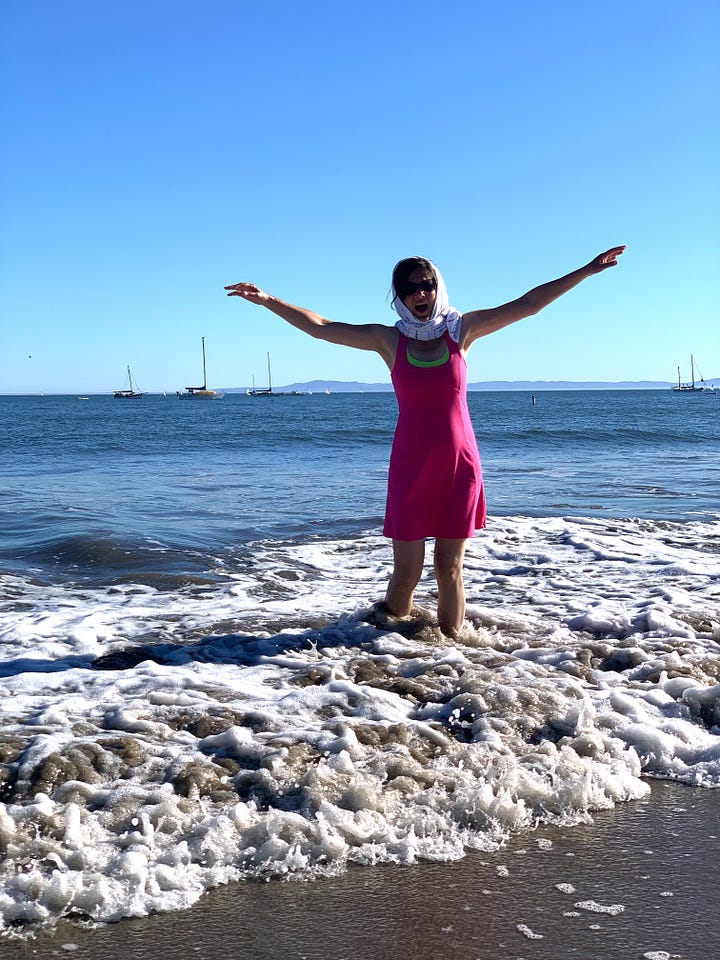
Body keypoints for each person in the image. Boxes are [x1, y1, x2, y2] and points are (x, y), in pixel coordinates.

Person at [225, 246, 625, 638]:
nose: (419, 294)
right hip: (411, 467)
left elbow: (528, 304)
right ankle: (382, 645)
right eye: (409, 288)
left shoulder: (462, 331)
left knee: (449, 568)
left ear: (438, 288)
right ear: (399, 297)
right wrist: (269, 300)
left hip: (459, 467)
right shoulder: (389, 340)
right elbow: (322, 327)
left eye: (426, 285)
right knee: (407, 574)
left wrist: (586, 271)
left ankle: (455, 654)